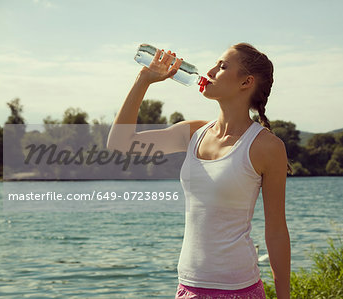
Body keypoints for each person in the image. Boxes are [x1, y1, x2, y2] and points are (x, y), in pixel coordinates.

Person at [107, 42, 291, 298]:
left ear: (246, 82)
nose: (210, 71)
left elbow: (276, 230)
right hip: (189, 287)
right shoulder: (194, 133)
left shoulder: (267, 147)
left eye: (222, 66)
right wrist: (143, 80)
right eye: (215, 64)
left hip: (238, 289)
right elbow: (120, 143)